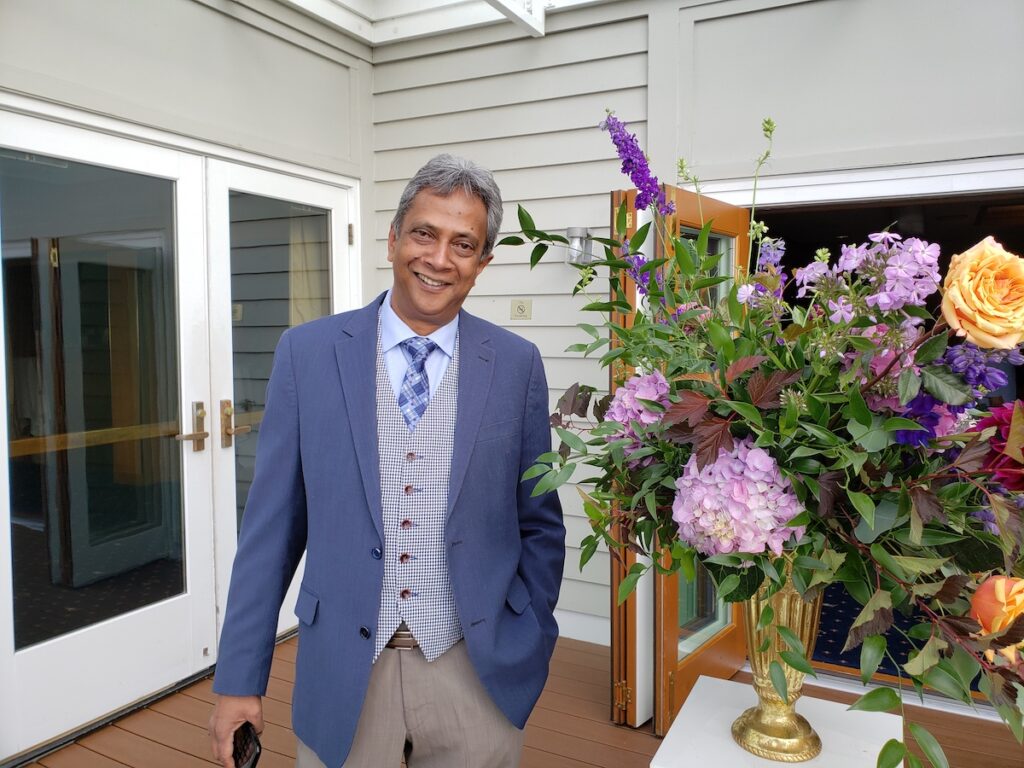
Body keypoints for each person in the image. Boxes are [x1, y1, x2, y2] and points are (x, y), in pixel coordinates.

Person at [208, 154, 565, 768]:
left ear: (483, 264)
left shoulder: (516, 364)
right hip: (344, 667)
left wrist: (526, 635)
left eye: (463, 243)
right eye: (424, 233)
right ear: (394, 236)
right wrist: (240, 676)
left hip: (474, 665)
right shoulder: (308, 354)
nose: (438, 257)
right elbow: (270, 532)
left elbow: (540, 522)